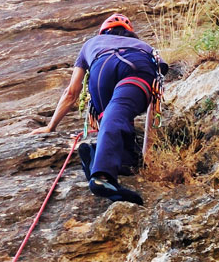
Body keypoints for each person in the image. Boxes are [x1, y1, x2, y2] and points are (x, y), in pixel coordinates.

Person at [33, 13, 166, 205]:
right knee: (120, 108)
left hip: (100, 71)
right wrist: (148, 154)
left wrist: (50, 126)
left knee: (120, 131)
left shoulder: (91, 43)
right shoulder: (145, 47)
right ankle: (102, 176)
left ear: (104, 31)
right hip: (135, 65)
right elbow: (155, 104)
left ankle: (97, 154)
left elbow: (71, 93)